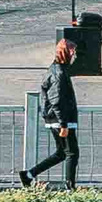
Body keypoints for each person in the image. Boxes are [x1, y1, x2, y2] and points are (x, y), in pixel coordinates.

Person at [17, 38, 82, 190]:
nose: (74, 56)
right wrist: (64, 124)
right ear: (66, 53)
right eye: (73, 53)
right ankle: (70, 187)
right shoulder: (58, 73)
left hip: (56, 119)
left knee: (61, 153)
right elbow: (56, 100)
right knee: (72, 153)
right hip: (61, 120)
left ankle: (28, 175)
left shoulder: (56, 69)